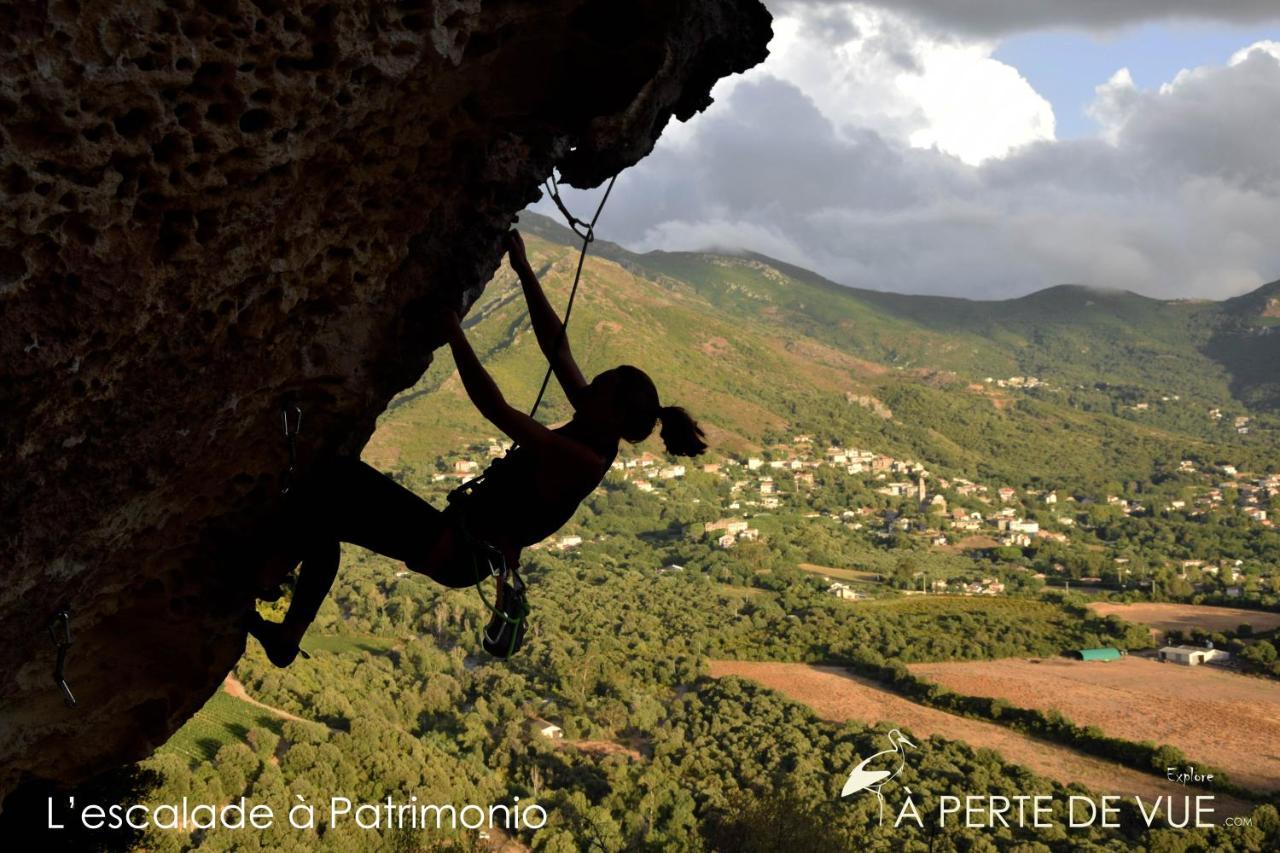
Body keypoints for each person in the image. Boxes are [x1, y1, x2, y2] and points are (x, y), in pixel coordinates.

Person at [248, 229, 708, 666]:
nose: (588, 387)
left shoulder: (583, 460)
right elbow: (558, 348)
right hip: (456, 542)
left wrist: (453, 332)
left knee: (338, 481)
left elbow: (496, 409)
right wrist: (525, 269)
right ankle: (286, 627)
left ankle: (270, 578)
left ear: (615, 415)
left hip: (452, 549)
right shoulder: (597, 423)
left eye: (600, 387)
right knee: (330, 511)